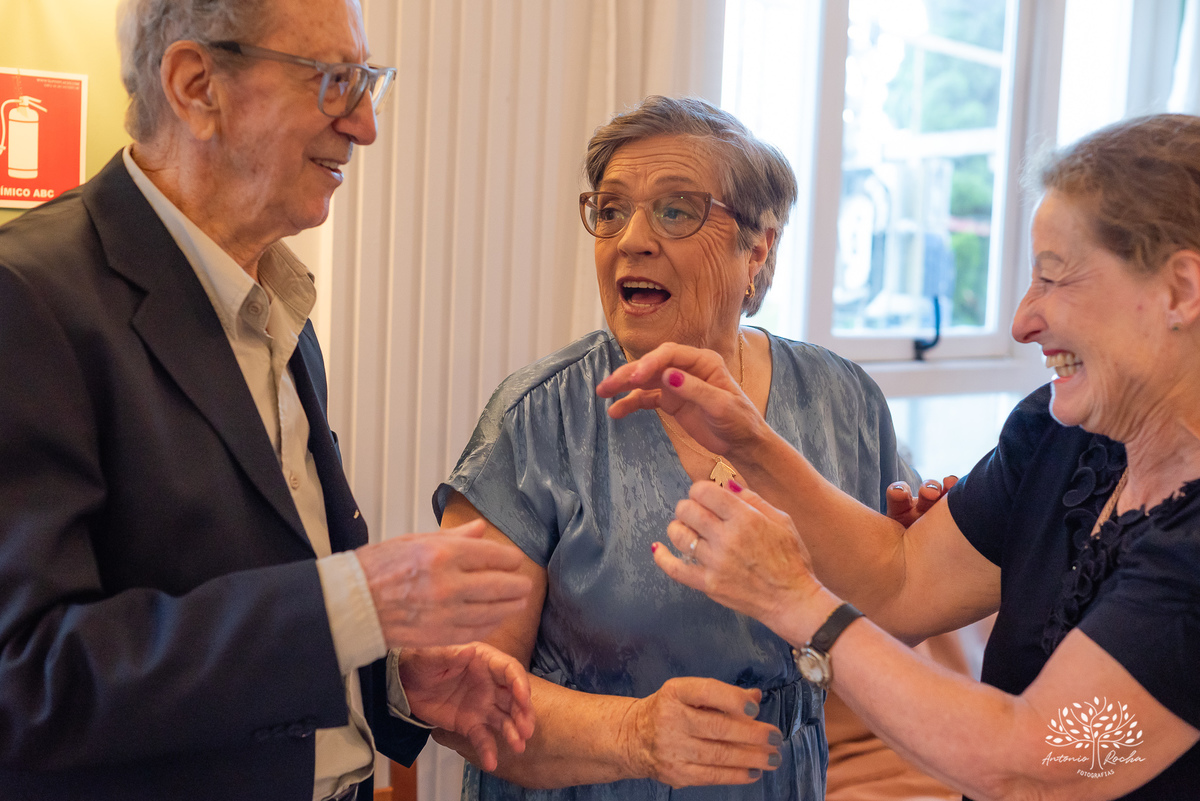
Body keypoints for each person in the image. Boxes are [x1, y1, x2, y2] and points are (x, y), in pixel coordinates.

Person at [0, 0, 535, 798]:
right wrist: (359, 600)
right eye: (332, 82)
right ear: (196, 85)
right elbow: (31, 679)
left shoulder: (278, 305)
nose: (364, 126)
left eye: (366, 84)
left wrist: (387, 680)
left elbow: (264, 588)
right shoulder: (29, 298)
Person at [600, 113, 1200, 799]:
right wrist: (747, 438)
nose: (1022, 320)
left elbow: (1032, 765)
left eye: (1055, 279)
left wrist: (799, 602)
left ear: (1180, 291)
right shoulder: (1060, 434)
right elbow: (901, 580)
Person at [432, 95, 922, 800]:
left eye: (674, 210)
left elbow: (895, 597)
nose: (630, 238)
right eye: (610, 210)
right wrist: (633, 734)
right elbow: (460, 692)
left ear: (757, 249)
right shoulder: (537, 417)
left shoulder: (843, 401)